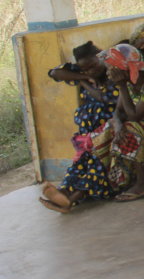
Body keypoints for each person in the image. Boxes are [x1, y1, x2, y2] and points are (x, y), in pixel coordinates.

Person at [38, 41, 121, 213]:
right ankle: (62, 194)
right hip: (87, 136)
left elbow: (102, 97)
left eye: (94, 65)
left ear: (101, 57)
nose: (92, 70)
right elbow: (54, 72)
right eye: (86, 69)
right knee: (79, 165)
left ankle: (72, 199)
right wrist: (82, 77)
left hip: (107, 133)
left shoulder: (113, 75)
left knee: (97, 165)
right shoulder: (83, 74)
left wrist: (83, 83)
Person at [101, 44, 144, 201]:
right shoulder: (130, 79)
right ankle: (110, 180)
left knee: (131, 128)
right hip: (143, 123)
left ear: (122, 67)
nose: (109, 73)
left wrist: (122, 86)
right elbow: (118, 111)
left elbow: (135, 115)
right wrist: (117, 127)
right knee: (106, 130)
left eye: (111, 68)